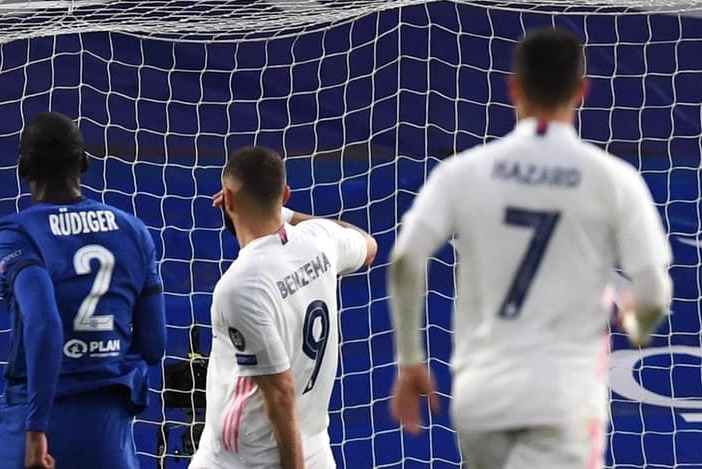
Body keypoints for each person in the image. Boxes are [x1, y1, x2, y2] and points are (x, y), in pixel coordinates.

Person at [388, 27, 674, 469]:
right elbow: (654, 290)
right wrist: (636, 323)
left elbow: (406, 256)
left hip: (483, 396)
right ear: (581, 91)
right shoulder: (613, 180)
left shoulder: (463, 172)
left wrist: (410, 360)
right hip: (563, 400)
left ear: (513, 88)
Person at [0, 112, 166, 469]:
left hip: (37, 416)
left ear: (22, 168)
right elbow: (154, 344)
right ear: (84, 162)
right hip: (107, 429)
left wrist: (37, 428)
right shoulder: (133, 230)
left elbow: (43, 322)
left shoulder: (16, 233)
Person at [190, 146, 377, 469]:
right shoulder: (320, 240)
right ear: (285, 195)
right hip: (314, 446)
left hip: (245, 458)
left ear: (228, 200)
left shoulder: (240, 286)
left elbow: (279, 395)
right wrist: (286, 215)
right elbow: (369, 245)